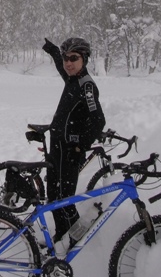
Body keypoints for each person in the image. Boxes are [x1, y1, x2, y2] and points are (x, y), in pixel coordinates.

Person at [42, 37, 106, 245]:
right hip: (57, 146)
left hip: (70, 150)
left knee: (65, 199)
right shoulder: (72, 79)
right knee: (53, 196)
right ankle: (62, 235)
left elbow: (98, 120)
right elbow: (63, 69)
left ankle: (75, 242)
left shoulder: (86, 86)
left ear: (84, 59)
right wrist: (53, 51)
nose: (68, 62)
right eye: (65, 58)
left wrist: (80, 147)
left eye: (73, 58)